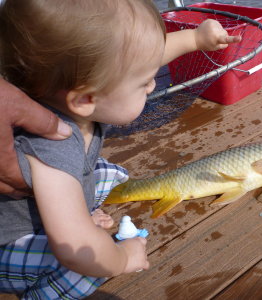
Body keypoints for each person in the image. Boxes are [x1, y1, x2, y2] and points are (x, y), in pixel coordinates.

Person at [0, 0, 240, 298]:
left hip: (56, 196)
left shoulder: (80, 95)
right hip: (11, 242)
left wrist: (195, 39)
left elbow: (140, 60)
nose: (152, 85)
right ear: (85, 99)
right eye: (144, 83)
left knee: (111, 174)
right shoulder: (54, 148)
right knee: (86, 265)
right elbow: (73, 248)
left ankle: (77, 211)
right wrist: (123, 257)